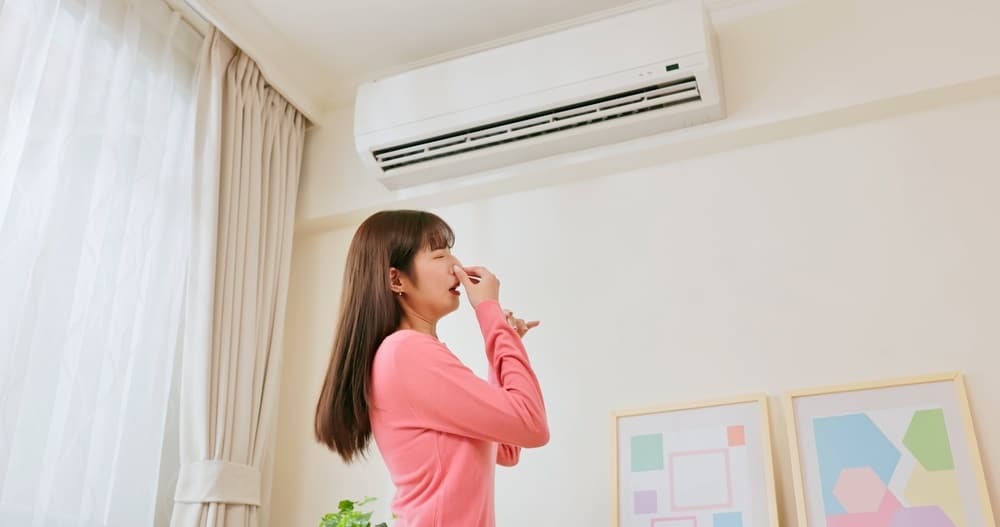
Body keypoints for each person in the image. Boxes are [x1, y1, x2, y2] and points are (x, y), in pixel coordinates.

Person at [314, 209, 549, 527]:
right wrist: (490, 314)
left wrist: (505, 341)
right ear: (396, 278)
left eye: (452, 252)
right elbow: (532, 426)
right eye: (439, 255)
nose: (456, 266)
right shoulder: (406, 353)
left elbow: (508, 446)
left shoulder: (412, 354)